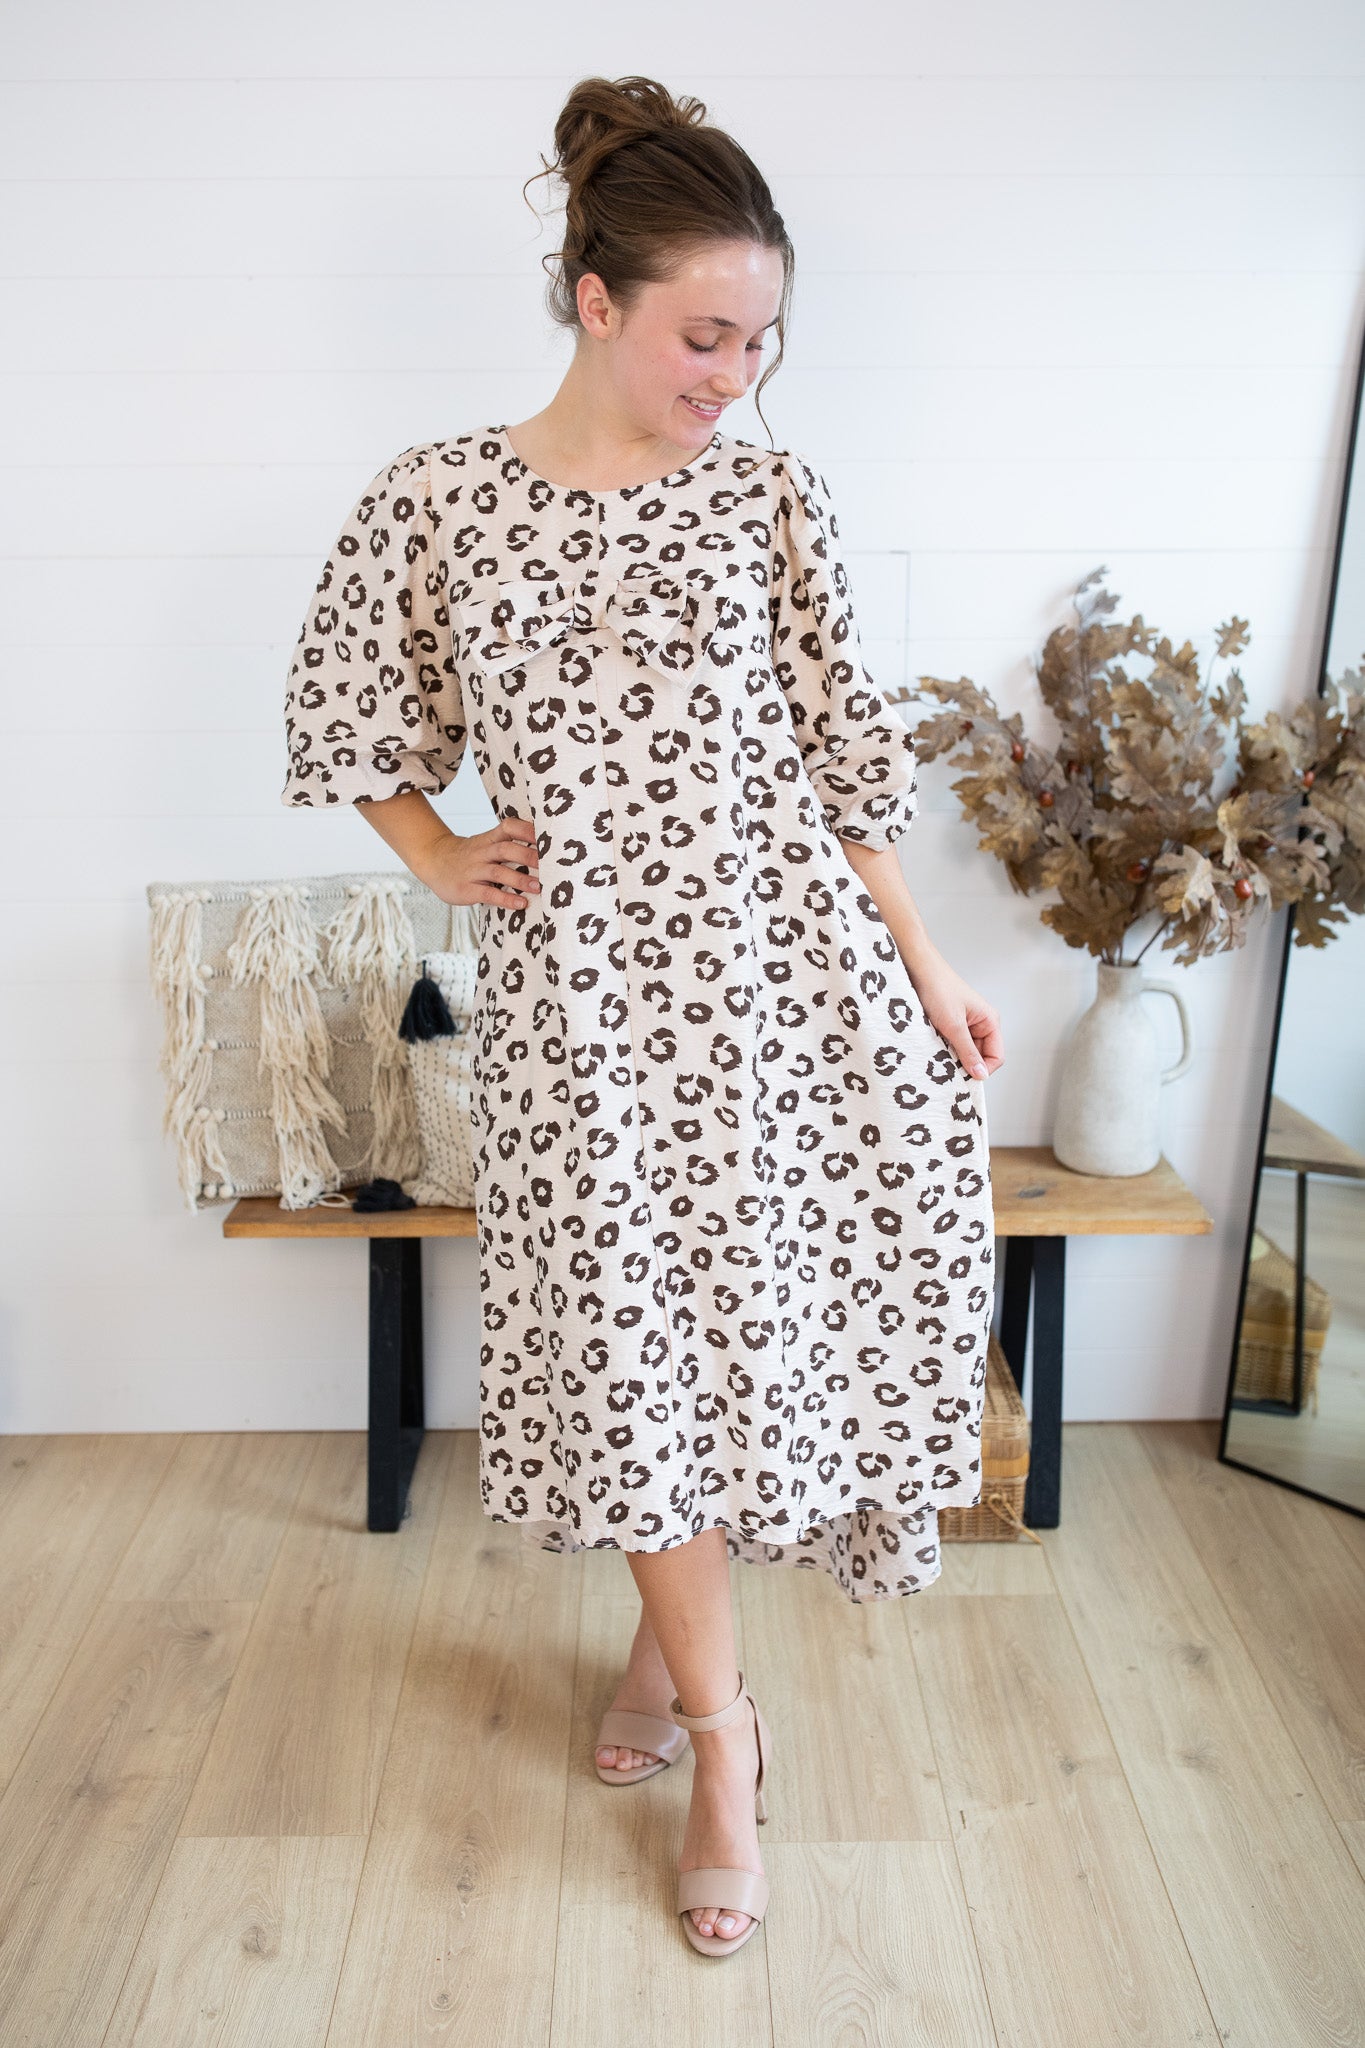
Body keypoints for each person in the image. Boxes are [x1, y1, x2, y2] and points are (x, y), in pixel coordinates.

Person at [281, 72, 1003, 1960]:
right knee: (630, 1348)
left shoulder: (771, 494)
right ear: (595, 300)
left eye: (761, 341)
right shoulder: (438, 500)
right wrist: (439, 853)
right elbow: (349, 714)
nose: (734, 376)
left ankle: (673, 1672)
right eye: (704, 336)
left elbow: (847, 759)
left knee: (750, 1336)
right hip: (586, 1015)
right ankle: (727, 1736)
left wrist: (927, 967)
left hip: (790, 990)